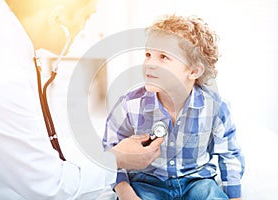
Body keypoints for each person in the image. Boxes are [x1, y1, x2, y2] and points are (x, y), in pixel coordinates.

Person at [0, 0, 163, 199]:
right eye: (85, 17)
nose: (84, 27)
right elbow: (49, 185)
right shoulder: (6, 76)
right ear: (56, 16)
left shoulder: (12, 46)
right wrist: (116, 160)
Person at [103, 14, 245, 200]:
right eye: (148, 55)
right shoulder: (129, 105)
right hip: (147, 182)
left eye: (163, 57)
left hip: (197, 182)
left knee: (210, 194)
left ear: (193, 71)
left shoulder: (216, 108)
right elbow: (110, 152)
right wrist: (125, 192)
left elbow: (229, 155)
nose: (150, 64)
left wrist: (235, 196)